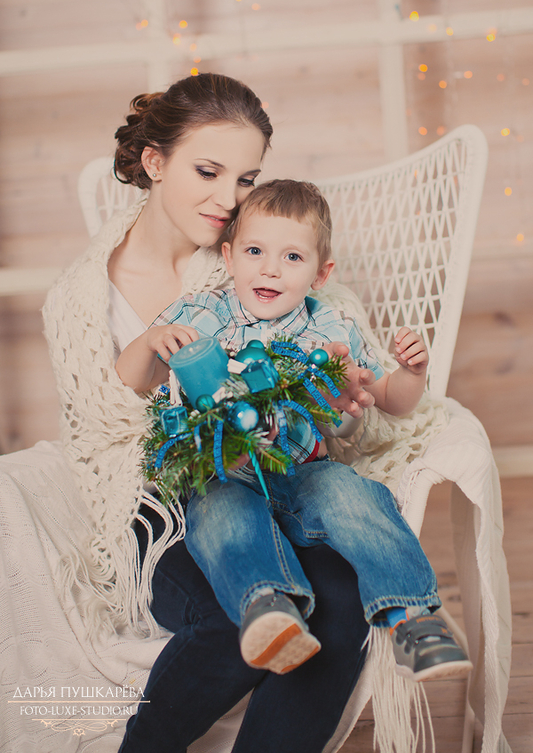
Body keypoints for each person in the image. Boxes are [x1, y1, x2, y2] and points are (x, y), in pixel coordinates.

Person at [32, 73, 380, 753]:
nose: (229, 199)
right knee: (234, 616)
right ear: (155, 161)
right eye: (208, 171)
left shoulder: (248, 259)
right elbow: (101, 437)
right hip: (160, 505)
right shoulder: (79, 298)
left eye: (246, 179)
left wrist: (342, 390)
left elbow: (325, 344)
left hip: (268, 479)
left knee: (342, 602)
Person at [117, 178, 473, 684]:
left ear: (320, 273)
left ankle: (413, 618)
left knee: (354, 498)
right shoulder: (201, 313)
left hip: (305, 467)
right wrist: (151, 339)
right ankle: (269, 610)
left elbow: (389, 399)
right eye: (255, 251)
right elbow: (130, 380)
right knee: (219, 516)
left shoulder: (331, 329)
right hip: (226, 470)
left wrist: (411, 373)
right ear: (229, 257)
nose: (270, 269)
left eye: (292, 257)